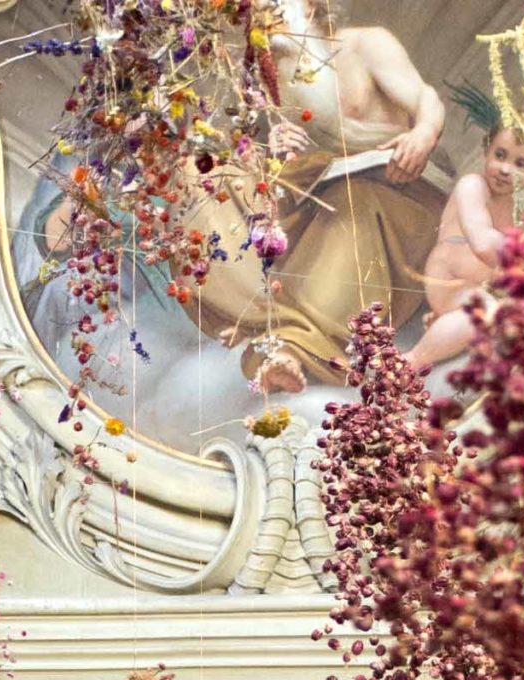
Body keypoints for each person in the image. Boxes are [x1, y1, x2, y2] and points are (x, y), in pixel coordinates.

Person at [184, 0, 447, 392]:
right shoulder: (270, 76)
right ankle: (261, 315)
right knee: (203, 173)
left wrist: (423, 135)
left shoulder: (366, 44)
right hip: (320, 189)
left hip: (400, 194)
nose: (261, 18)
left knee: (350, 206)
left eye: (272, 6)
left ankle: (294, 348)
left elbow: (426, 98)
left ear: (308, 6)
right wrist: (275, 147)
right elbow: (286, 161)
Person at [407, 124, 524, 374]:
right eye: (500, 155)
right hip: (449, 277)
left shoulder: (515, 205)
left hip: (473, 286)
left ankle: (446, 322)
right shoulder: (472, 186)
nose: (505, 169)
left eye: (520, 164)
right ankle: (412, 360)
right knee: (482, 313)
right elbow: (483, 243)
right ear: (487, 151)